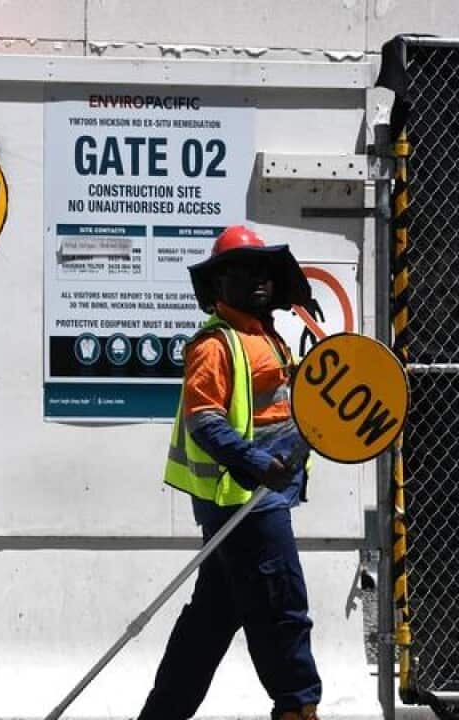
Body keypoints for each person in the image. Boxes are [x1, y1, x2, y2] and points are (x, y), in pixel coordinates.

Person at [138, 225, 322, 720]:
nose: (256, 279)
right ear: (219, 286)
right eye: (241, 271)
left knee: (210, 623)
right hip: (245, 502)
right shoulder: (216, 345)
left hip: (254, 501)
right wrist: (261, 464)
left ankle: (162, 714)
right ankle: (298, 708)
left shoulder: (269, 339)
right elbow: (205, 422)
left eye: (262, 269)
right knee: (281, 608)